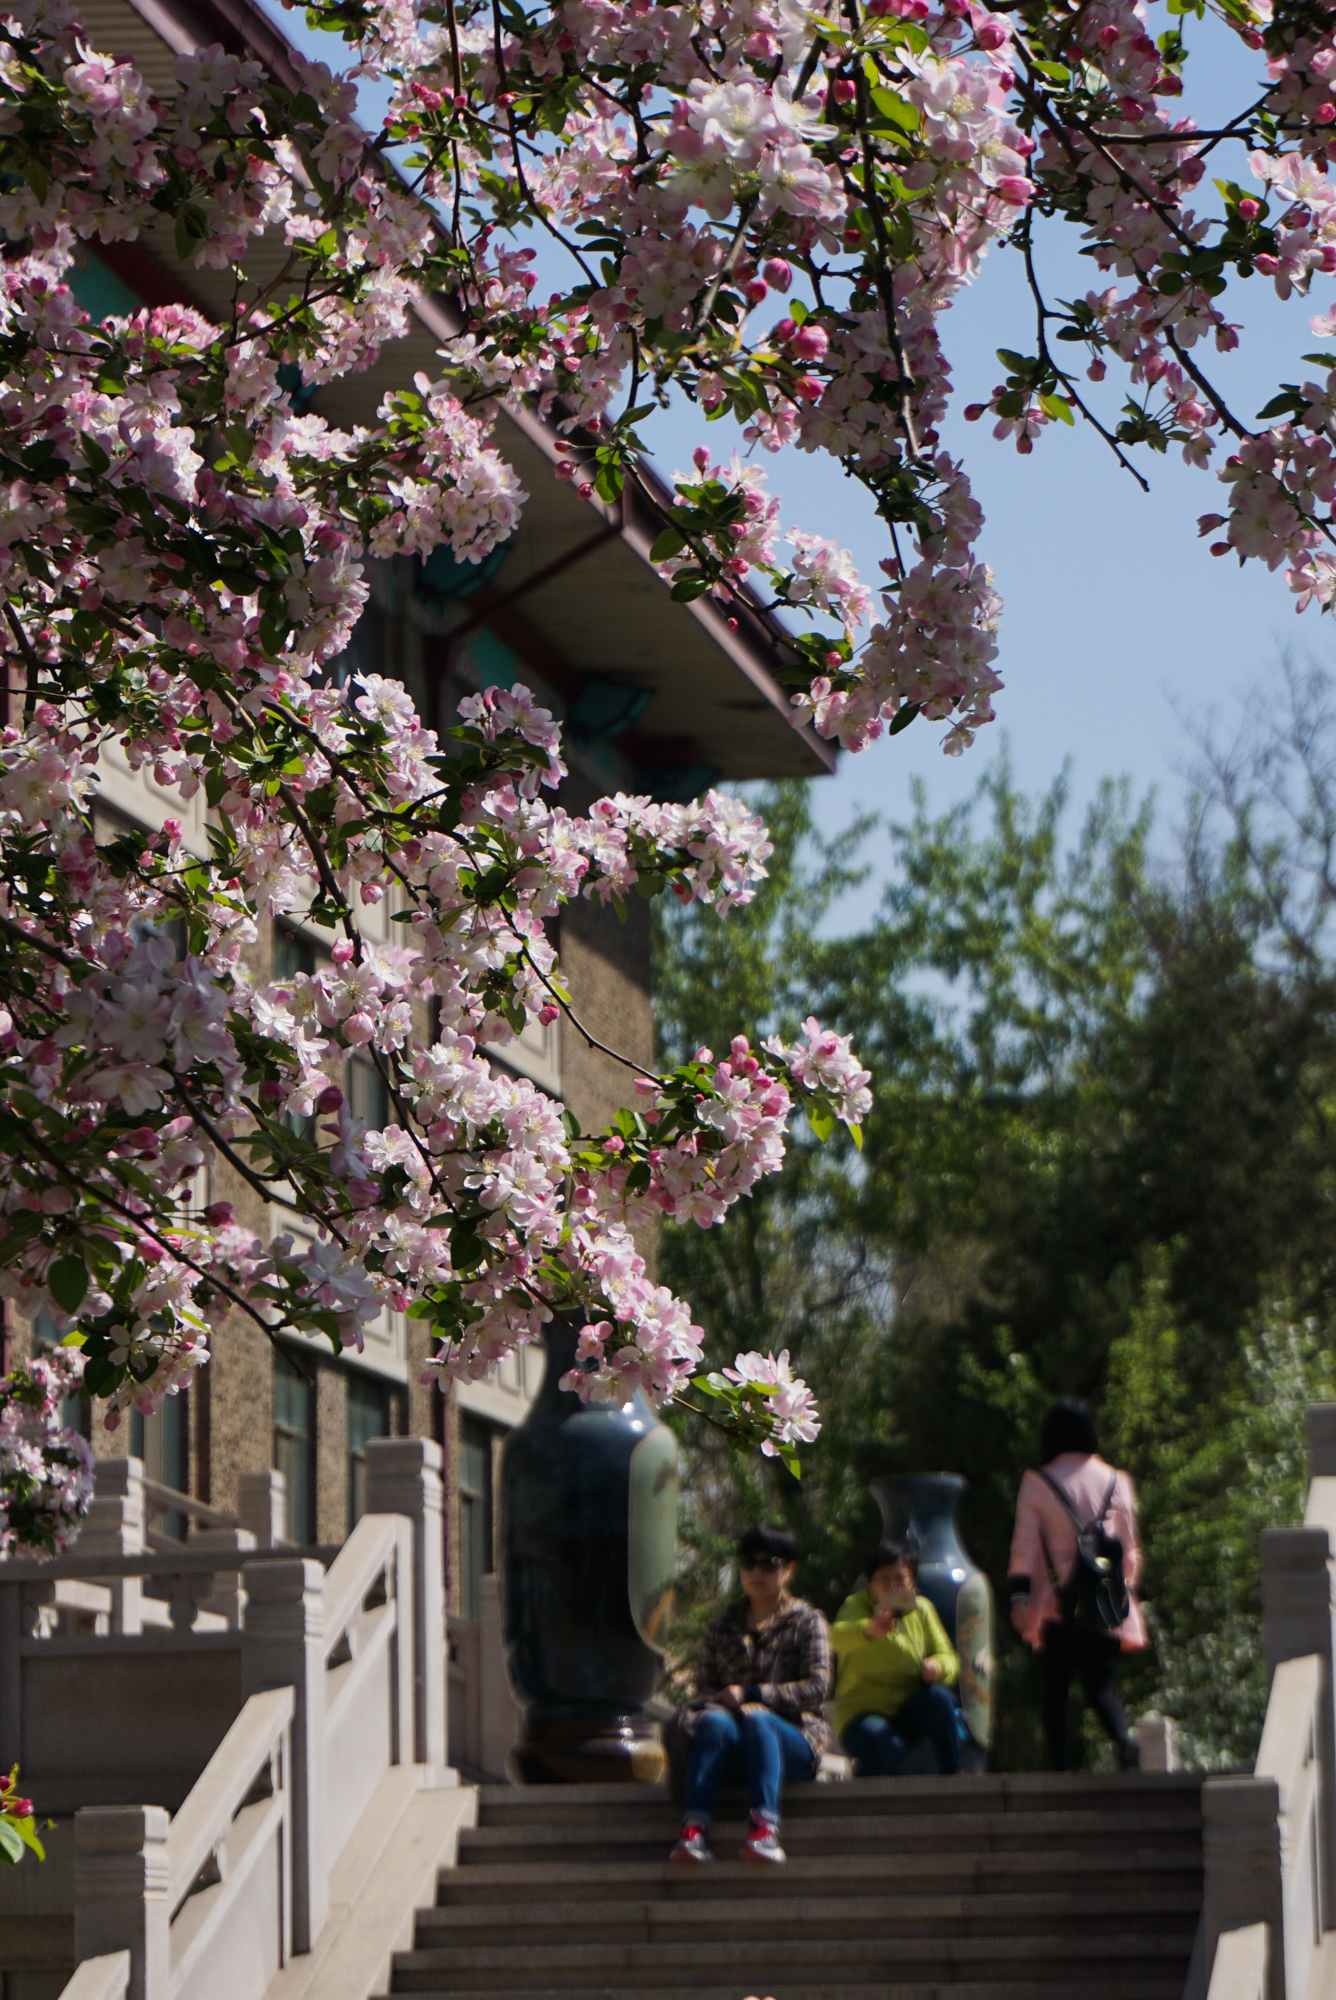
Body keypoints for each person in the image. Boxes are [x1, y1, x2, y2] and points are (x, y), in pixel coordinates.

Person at [669, 1523, 832, 1866]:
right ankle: (694, 1831)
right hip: (733, 1740)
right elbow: (704, 1690)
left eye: (769, 1562)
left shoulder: (808, 1621)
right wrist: (720, 1704)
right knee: (711, 1722)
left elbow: (817, 1688)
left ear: (789, 1569)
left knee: (760, 1721)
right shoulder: (721, 1625)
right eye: (748, 1562)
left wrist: (755, 1694)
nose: (757, 1571)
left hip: (796, 1738)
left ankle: (765, 1831)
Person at [1008, 1396, 1147, 1771]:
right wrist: (1122, 1592)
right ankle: (1122, 1741)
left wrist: (1020, 1598)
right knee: (1101, 1689)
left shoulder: (1038, 1483)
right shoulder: (1118, 1481)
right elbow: (1129, 1551)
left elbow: (1023, 1547)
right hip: (1104, 1605)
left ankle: (1059, 1771)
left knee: (1055, 1694)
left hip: (1058, 1605)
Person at [830, 1541, 962, 1776]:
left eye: (900, 1578)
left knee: (940, 1700)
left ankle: (953, 1776)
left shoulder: (922, 1609)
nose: (891, 1586)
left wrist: (938, 1667)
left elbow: (949, 1657)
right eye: (883, 1578)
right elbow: (834, 1639)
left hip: (907, 1712)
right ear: (870, 1584)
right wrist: (868, 1630)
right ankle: (870, 1778)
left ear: (912, 1583)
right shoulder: (856, 1606)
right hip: (861, 1715)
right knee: (889, 1747)